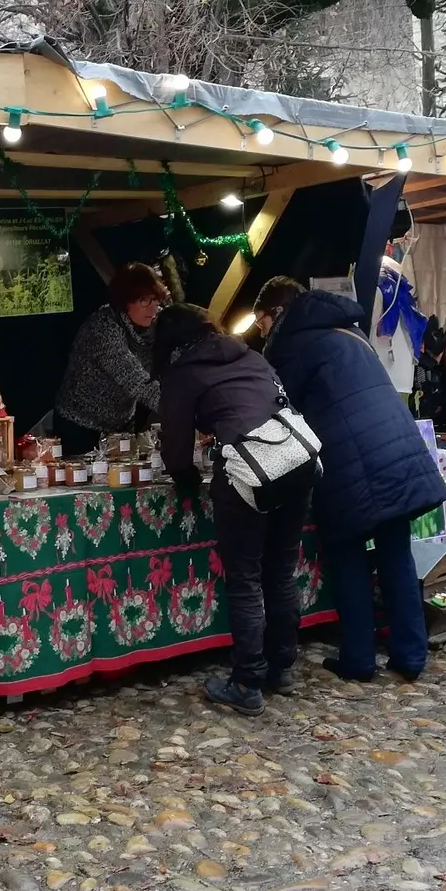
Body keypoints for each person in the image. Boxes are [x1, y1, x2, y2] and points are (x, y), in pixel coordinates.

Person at [256, 277, 446, 683]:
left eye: (260, 323)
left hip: (349, 462)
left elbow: (277, 409)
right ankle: (411, 656)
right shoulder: (349, 332)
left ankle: (359, 658)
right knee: (396, 552)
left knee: (347, 557)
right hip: (396, 450)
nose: (260, 332)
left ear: (277, 313)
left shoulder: (293, 346)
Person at [154, 304, 315, 715]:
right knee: (280, 571)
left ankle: (247, 682)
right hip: (295, 466)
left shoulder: (182, 373)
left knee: (245, 579)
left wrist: (188, 480)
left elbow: (174, 451)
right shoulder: (251, 356)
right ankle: (281, 666)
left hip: (247, 475)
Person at [54, 262, 168, 455]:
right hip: (79, 424)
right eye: (144, 300)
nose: (153, 307)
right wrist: (182, 409)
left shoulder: (156, 325)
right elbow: (134, 379)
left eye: (156, 300)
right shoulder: (103, 328)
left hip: (120, 424)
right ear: (125, 301)